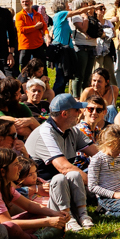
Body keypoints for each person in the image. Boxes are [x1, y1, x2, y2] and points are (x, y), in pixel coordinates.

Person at [25, 93, 97, 231]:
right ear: (64, 113)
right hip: (45, 189)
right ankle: (67, 216)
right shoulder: (45, 133)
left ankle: (82, 215)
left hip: (66, 184)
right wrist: (97, 186)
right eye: (77, 110)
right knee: (68, 176)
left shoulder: (72, 130)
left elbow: (98, 154)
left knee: (75, 175)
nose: (80, 113)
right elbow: (64, 168)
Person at [14, 0, 48, 74]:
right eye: (23, 2)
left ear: (31, 2)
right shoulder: (19, 15)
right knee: (25, 67)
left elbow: (44, 26)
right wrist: (35, 27)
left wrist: (47, 35)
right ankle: (24, 83)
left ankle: (44, 82)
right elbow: (21, 29)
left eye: (27, 1)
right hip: (25, 45)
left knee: (41, 65)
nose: (25, 3)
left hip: (38, 44)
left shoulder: (38, 15)